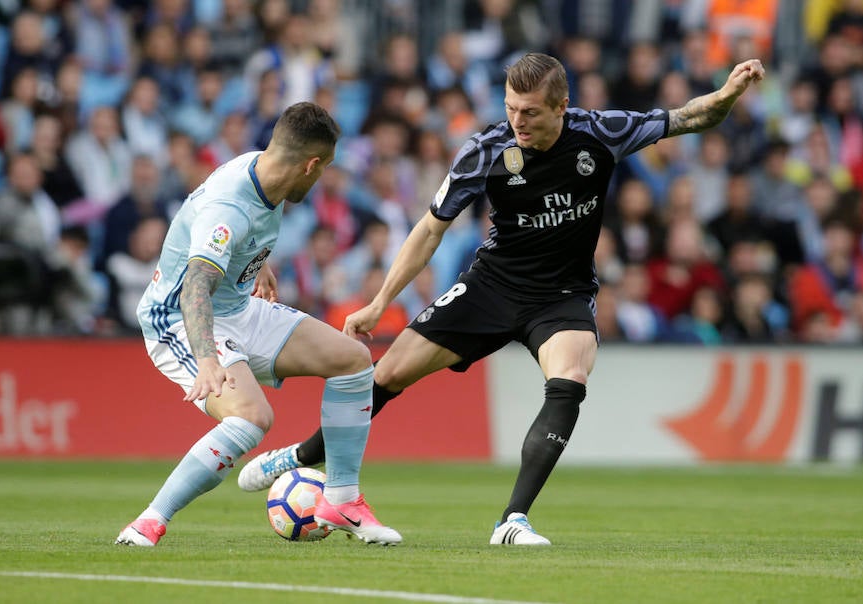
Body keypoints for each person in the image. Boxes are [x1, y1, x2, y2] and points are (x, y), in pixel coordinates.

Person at [239, 53, 765, 545]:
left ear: (562, 107)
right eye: (511, 108)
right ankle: (302, 454)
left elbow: (690, 118)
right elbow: (430, 229)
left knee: (570, 378)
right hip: (491, 285)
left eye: (530, 112)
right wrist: (379, 302)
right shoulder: (487, 150)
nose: (518, 121)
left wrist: (726, 95)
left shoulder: (601, 132)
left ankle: (513, 520)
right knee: (388, 373)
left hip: (562, 295)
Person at [115, 102, 401, 547]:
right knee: (252, 418)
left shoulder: (265, 171)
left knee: (353, 360)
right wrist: (207, 361)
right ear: (311, 165)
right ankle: (147, 522)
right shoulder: (228, 205)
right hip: (182, 318)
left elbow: (236, 235)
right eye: (324, 168)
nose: (322, 177)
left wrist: (256, 263)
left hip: (237, 306)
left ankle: (342, 499)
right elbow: (195, 286)